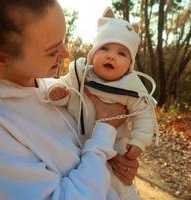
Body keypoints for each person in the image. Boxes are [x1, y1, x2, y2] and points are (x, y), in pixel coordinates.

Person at [0, 0, 139, 199]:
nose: (66, 54)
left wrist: (116, 170)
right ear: (0, 59)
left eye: (63, 40)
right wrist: (105, 131)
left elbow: (85, 156)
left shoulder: (56, 91)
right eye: (52, 50)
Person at [47, 7, 159, 200]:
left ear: (130, 64)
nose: (111, 56)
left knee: (116, 185)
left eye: (121, 53)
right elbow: (64, 88)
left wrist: (139, 141)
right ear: (92, 54)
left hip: (113, 149)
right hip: (76, 142)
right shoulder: (80, 75)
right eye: (104, 48)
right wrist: (59, 94)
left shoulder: (130, 88)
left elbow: (145, 115)